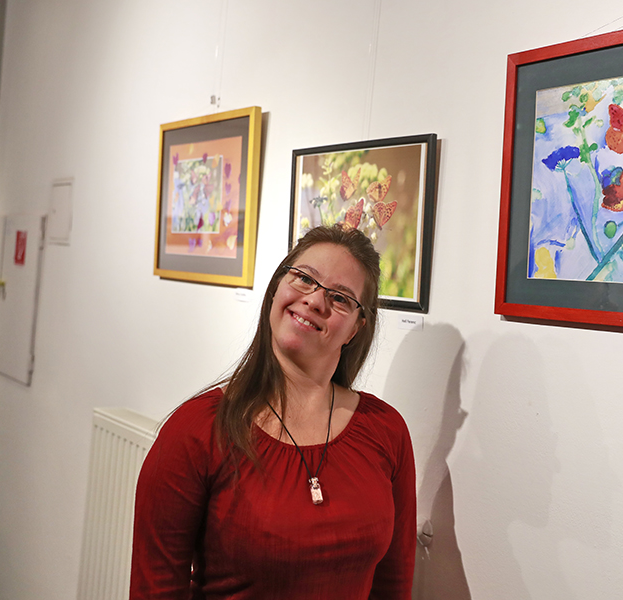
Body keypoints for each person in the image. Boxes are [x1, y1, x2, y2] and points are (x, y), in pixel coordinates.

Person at [130, 225, 416, 599]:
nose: (315, 301)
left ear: (355, 329)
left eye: (340, 298)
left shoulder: (386, 430)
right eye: (304, 278)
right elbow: (155, 590)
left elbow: (394, 586)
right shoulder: (195, 431)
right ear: (276, 288)